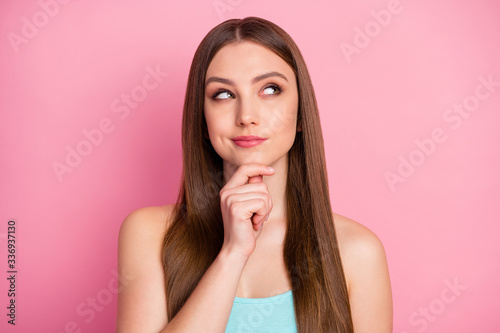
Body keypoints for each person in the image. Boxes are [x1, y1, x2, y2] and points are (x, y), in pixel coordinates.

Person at [116, 16, 392, 333]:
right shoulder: (149, 234)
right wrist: (233, 254)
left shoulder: (358, 252)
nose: (246, 116)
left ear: (301, 114)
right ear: (203, 120)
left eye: (270, 89)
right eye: (223, 94)